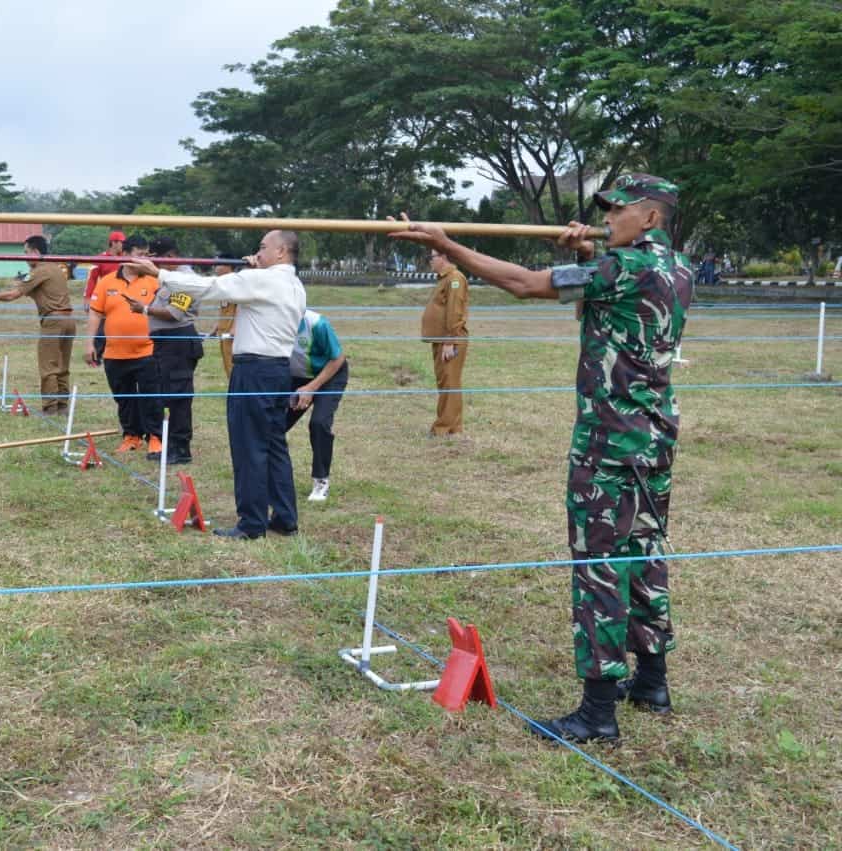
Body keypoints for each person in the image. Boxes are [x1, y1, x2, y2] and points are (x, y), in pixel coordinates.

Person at [389, 174, 693, 744]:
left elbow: (524, 284)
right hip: (653, 439)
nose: (607, 218)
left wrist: (449, 245)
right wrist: (585, 252)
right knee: (644, 554)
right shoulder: (676, 268)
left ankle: (597, 713)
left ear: (649, 218)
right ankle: (652, 680)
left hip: (608, 444)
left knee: (599, 567)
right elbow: (605, 301)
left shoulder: (623, 268)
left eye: (617, 211)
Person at [126, 231, 306, 540]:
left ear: (281, 252)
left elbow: (210, 287)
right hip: (277, 370)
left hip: (254, 371)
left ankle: (251, 524)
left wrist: (160, 273)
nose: (257, 252)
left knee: (249, 446)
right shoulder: (292, 283)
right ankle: (285, 517)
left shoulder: (263, 280)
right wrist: (253, 270)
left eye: (263, 247)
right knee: (275, 445)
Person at [0, 235, 75, 415]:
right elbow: (38, 291)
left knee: (48, 365)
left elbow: (13, 295)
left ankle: (50, 407)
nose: (25, 257)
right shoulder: (57, 268)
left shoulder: (39, 271)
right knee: (62, 365)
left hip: (53, 322)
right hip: (69, 321)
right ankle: (63, 405)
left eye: (26, 252)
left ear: (36, 252)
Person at [125, 236, 204, 464]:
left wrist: (144, 309)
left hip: (178, 342)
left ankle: (180, 449)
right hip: (168, 343)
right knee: (169, 393)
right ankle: (172, 445)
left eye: (155, 258)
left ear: (170, 257)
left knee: (179, 396)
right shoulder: (171, 278)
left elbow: (174, 313)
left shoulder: (184, 280)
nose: (153, 263)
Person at [86, 235, 161, 454]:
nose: (144, 260)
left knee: (151, 397)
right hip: (115, 354)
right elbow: (95, 313)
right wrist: (89, 343)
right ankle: (131, 436)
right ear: (126, 255)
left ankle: (155, 437)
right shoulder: (107, 281)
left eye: (147, 255)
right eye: (140, 255)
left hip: (148, 351)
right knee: (124, 399)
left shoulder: (154, 280)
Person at [286, 309, 348, 503]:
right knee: (273, 424)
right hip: (296, 376)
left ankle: (321, 480)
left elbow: (338, 358)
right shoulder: (272, 321)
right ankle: (271, 476)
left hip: (329, 375)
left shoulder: (317, 324)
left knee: (319, 423)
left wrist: (312, 388)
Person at [420, 248, 470, 436]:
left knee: (450, 383)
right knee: (447, 383)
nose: (429, 261)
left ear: (444, 257)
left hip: (450, 340)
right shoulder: (445, 279)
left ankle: (443, 428)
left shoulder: (455, 279)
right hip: (441, 339)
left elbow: (455, 312)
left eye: (431, 257)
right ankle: (453, 427)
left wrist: (450, 340)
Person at [83, 230, 126, 365]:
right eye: (121, 242)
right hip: (103, 299)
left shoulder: (125, 259)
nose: (123, 245)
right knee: (100, 330)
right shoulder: (100, 258)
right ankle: (95, 357)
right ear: (113, 243)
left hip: (120, 300)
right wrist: (88, 298)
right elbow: (92, 279)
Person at [209, 263, 238, 379]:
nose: (216, 268)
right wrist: (216, 328)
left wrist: (234, 328)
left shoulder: (237, 284)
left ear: (229, 267)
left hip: (232, 335)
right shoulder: (223, 285)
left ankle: (235, 393)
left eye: (219, 264)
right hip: (223, 333)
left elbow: (240, 307)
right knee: (227, 365)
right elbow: (224, 309)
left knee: (233, 365)